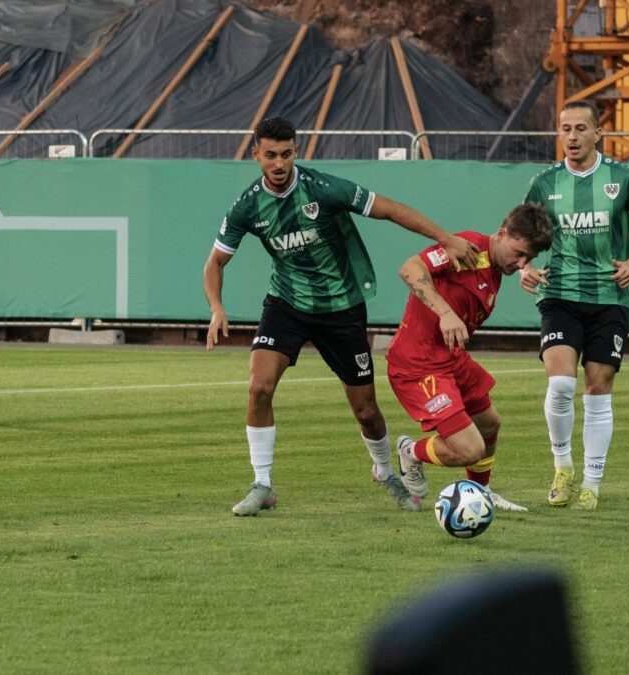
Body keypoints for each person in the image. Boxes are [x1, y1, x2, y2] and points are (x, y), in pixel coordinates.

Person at [204, 116, 480, 516]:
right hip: (286, 304)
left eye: (285, 154)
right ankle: (262, 483)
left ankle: (385, 471)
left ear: (295, 152)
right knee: (259, 388)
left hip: (342, 308)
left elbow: (390, 210)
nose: (278, 164)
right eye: (269, 156)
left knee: (366, 410)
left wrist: (445, 238)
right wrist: (216, 307)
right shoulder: (247, 205)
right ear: (255, 156)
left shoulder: (325, 188)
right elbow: (214, 262)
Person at [520, 100, 629, 511]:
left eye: (581, 129)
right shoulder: (543, 184)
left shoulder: (625, 179)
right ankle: (562, 467)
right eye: (565, 129)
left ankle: (592, 483)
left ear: (598, 133)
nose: (571, 137)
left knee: (598, 389)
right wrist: (524, 267)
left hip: (609, 299)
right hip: (560, 295)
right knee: (561, 384)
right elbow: (517, 234)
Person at [389, 203, 552, 513]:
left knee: (489, 423)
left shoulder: (495, 265)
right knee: (470, 449)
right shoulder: (467, 248)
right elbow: (410, 269)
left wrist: (524, 268)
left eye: (528, 258)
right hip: (419, 364)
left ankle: (481, 491)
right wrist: (446, 313)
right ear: (502, 233)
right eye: (519, 254)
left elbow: (512, 260)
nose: (521, 263)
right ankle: (411, 451)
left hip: (451, 359)